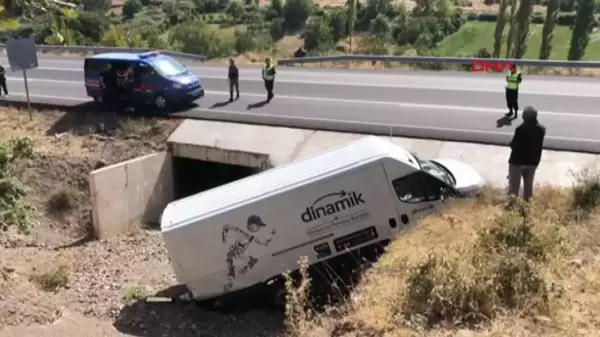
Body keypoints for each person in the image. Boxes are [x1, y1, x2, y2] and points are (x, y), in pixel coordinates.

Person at [221, 214, 276, 292]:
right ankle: (230, 280)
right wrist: (225, 236)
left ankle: (231, 279)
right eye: (256, 226)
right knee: (235, 266)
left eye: (258, 227)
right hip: (235, 255)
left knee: (240, 267)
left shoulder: (250, 236)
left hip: (238, 256)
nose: (258, 228)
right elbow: (227, 227)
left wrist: (271, 235)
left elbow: (263, 243)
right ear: (250, 226)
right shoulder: (243, 233)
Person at [507, 106, 546, 206]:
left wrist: (510, 144)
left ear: (525, 117)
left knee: (514, 187)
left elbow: (514, 145)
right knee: (528, 188)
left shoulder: (520, 129)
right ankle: (527, 207)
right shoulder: (541, 130)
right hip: (532, 162)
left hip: (517, 162)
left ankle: (512, 206)